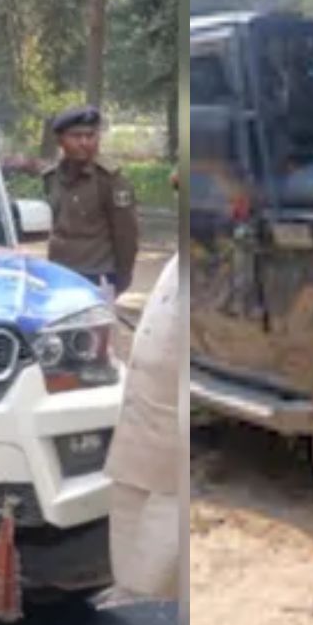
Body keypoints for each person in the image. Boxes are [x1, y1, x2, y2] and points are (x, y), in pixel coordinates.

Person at [103, 169, 180, 600]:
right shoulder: (176, 263)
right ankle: (129, 594)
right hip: (140, 433)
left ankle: (146, 605)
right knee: (129, 512)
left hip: (172, 450)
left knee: (158, 564)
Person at [41, 105, 139, 299]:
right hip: (59, 272)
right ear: (60, 140)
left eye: (90, 136)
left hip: (98, 274)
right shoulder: (51, 177)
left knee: (95, 329)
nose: (84, 142)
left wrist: (122, 276)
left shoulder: (110, 180)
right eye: (76, 136)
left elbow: (126, 234)